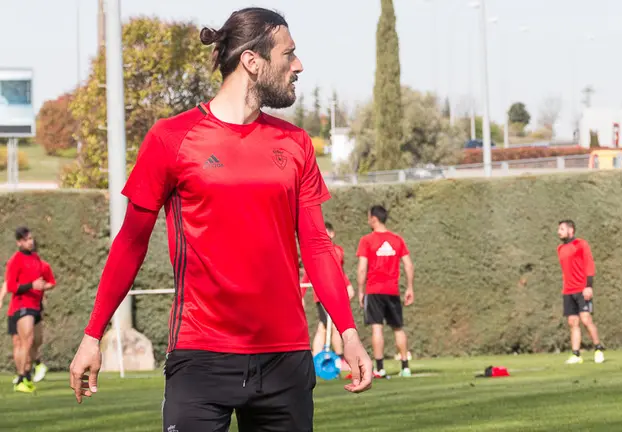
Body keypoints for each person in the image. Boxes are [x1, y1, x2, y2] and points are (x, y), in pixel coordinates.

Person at [68, 7, 371, 431]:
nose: (298, 65)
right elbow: (131, 241)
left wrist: (349, 333)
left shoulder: (296, 143)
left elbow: (317, 246)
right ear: (252, 61)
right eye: (289, 54)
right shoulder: (171, 139)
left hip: (285, 360)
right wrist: (92, 335)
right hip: (200, 357)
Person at [357, 205, 415, 378]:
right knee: (398, 328)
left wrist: (361, 291)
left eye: (368, 217)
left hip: (374, 290)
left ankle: (380, 368)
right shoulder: (397, 240)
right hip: (392, 290)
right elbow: (409, 264)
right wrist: (410, 287)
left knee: (377, 328)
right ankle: (405, 367)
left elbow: (361, 269)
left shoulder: (367, 240)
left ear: (373, 219)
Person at [5, 227, 56, 393]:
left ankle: (29, 371)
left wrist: (42, 287)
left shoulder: (36, 259)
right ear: (19, 242)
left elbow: (49, 281)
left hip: (36, 306)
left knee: (36, 341)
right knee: (24, 341)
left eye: (31, 238)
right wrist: (31, 286)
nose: (30, 242)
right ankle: (22, 377)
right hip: (21, 305)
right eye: (26, 240)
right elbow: (12, 286)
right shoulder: (15, 260)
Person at [301, 222, 354, 361]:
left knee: (323, 328)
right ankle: (339, 359)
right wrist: (301, 294)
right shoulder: (315, 253)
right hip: (324, 297)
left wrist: (348, 286)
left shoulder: (337, 251)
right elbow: (308, 274)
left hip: (335, 296)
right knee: (334, 327)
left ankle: (315, 359)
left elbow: (339, 272)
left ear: (331, 233)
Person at [556, 220, 605, 364]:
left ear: (571, 230)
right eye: (559, 229)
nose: (559, 232)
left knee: (586, 319)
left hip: (582, 290)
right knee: (572, 322)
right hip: (568, 291)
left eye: (562, 229)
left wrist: (588, 286)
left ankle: (598, 349)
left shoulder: (581, 244)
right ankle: (576, 354)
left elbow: (589, 264)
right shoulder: (560, 249)